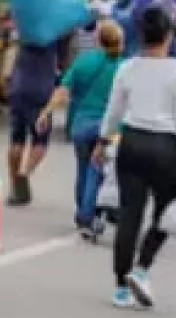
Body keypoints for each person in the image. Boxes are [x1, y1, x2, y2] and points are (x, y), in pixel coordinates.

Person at [96, 6, 176, 309]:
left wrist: (103, 141)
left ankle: (120, 286)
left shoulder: (128, 68)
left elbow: (114, 110)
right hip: (165, 147)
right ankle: (142, 268)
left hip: (131, 141)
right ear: (168, 35)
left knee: (130, 213)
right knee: (166, 211)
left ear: (141, 35)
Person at [38, 19, 126, 240]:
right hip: (110, 128)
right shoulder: (123, 67)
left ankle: (83, 214)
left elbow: (63, 91)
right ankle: (88, 215)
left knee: (83, 168)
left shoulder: (83, 62)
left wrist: (46, 112)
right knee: (97, 171)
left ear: (97, 39)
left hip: (81, 125)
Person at [5, 35, 71, 206]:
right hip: (43, 89)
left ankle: (14, 183)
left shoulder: (25, 23)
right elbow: (63, 60)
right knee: (40, 138)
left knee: (16, 138)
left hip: (20, 86)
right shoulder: (56, 30)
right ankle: (25, 173)